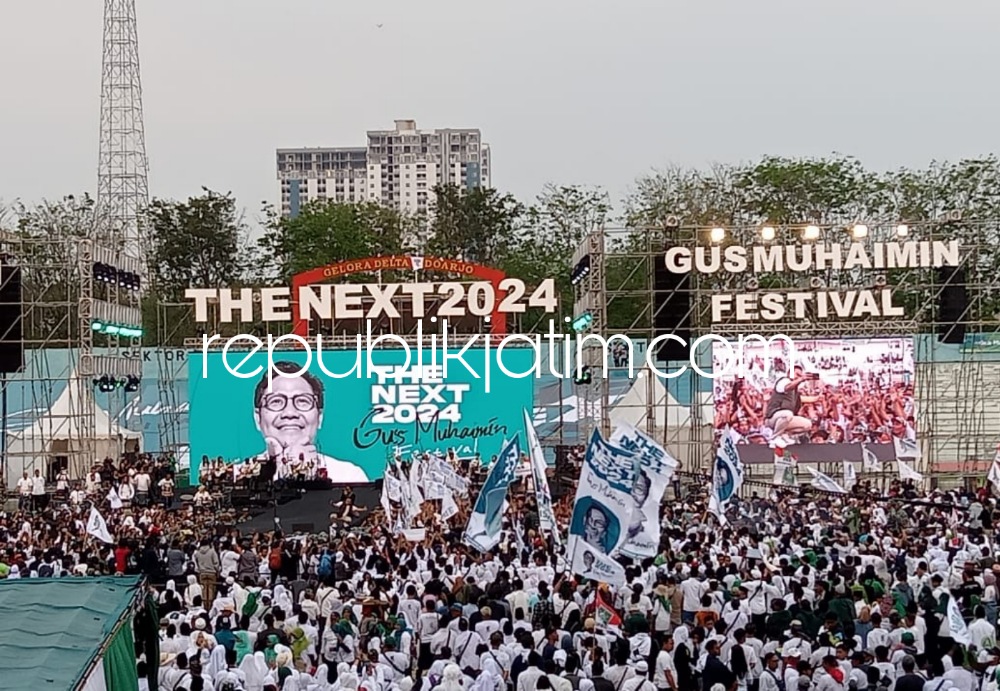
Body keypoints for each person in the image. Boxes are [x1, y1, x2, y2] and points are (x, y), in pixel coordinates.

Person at [252, 362, 368, 483]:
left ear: (320, 417)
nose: (290, 413)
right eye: (276, 401)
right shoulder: (237, 476)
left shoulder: (348, 476)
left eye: (302, 401)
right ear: (257, 418)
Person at [764, 364, 820, 447]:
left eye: (800, 375)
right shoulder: (783, 381)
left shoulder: (796, 391)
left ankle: (784, 434)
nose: (798, 377)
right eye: (797, 374)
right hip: (772, 417)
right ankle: (775, 438)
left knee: (807, 424)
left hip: (784, 419)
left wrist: (817, 397)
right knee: (787, 414)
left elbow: (802, 401)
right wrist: (801, 379)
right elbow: (787, 387)